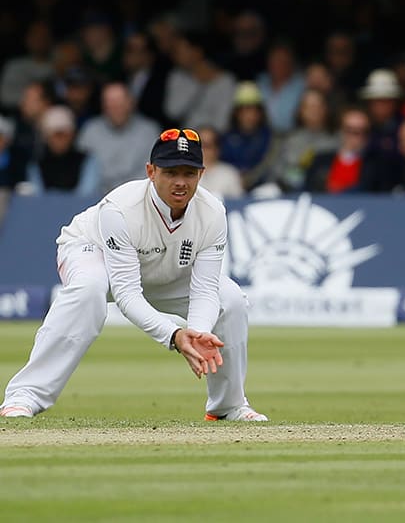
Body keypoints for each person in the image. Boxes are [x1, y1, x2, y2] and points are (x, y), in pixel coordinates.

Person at [0, 128, 268, 421]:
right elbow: (126, 294)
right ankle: (24, 395)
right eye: (170, 172)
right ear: (151, 171)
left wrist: (198, 333)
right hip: (94, 251)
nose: (180, 182)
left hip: (163, 270)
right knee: (89, 289)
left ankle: (227, 406)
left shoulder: (213, 212)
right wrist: (175, 336)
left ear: (201, 175)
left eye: (189, 173)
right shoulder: (120, 208)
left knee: (230, 299)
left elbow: (205, 289)